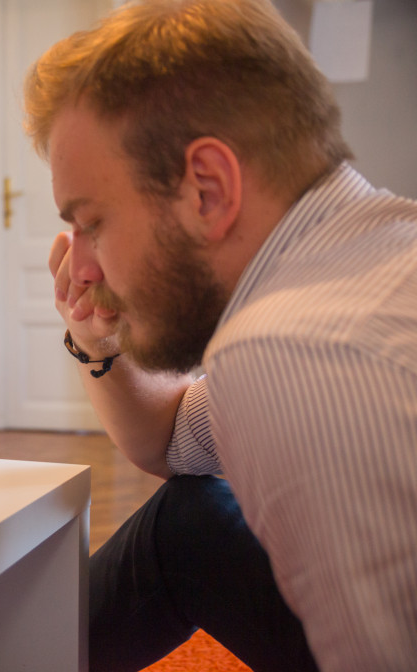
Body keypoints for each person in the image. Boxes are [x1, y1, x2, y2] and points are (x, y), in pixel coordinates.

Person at [24, 0, 417, 670]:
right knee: (190, 521)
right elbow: (175, 437)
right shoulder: (372, 251)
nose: (82, 266)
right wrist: (99, 344)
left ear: (207, 189)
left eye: (91, 220)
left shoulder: (294, 353)